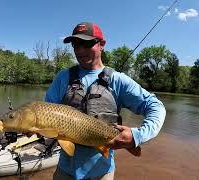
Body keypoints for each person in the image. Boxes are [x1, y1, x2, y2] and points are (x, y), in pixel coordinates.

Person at [45, 22, 166, 180]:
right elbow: (46, 113)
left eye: (87, 43)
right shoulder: (63, 78)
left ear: (101, 44)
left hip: (102, 173)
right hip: (65, 171)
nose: (80, 50)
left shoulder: (118, 80)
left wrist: (137, 136)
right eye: (76, 44)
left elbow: (156, 106)